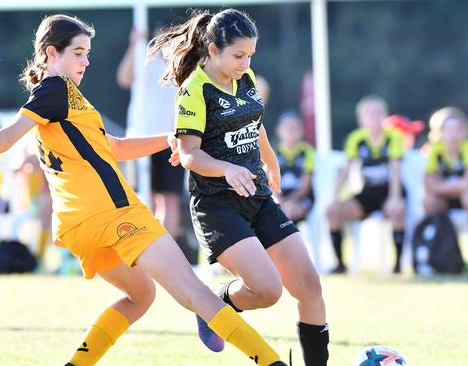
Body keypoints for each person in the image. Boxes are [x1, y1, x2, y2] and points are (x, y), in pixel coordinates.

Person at [0, 14, 286, 366]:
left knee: (141, 296)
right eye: (79, 53)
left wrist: (167, 139)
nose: (86, 61)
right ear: (52, 53)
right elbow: (6, 138)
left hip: (80, 227)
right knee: (198, 295)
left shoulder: (64, 97)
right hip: (115, 213)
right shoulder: (54, 91)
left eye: (88, 53)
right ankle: (273, 363)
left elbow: (114, 149)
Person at [149, 9, 329, 365]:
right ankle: (215, 306)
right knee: (267, 290)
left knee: (309, 284)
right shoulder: (194, 90)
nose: (245, 62)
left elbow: (254, 123)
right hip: (218, 206)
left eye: (250, 55)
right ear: (213, 49)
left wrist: (272, 162)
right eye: (238, 55)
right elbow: (188, 155)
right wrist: (227, 169)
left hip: (257, 196)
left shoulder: (244, 77)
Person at [116, 28, 189, 256]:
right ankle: (146, 250)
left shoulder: (181, 66)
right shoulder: (144, 60)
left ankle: (168, 253)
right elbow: (124, 78)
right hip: (140, 139)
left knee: (169, 199)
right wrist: (134, 45)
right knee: (142, 197)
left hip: (169, 139)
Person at [326, 95, 406, 274]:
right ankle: (340, 264)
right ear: (360, 119)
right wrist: (334, 198)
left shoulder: (394, 137)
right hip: (367, 193)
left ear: (385, 116)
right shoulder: (356, 138)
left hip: (389, 190)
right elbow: (345, 170)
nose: (373, 116)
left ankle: (398, 265)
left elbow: (395, 170)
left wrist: (395, 198)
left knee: (396, 209)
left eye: (378, 112)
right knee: (332, 211)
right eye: (369, 113)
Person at [424, 107, 468, 273]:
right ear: (439, 132)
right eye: (448, 130)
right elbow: (430, 183)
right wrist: (453, 187)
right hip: (446, 198)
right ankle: (441, 252)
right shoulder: (434, 150)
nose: (453, 135)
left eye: (458, 130)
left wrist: (445, 187)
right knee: (430, 201)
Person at [274, 112, 315, 223]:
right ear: (278, 130)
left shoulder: (307, 152)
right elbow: (271, 183)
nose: (291, 132)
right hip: (281, 198)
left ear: (302, 131)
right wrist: (281, 201)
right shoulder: (273, 152)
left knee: (290, 212)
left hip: (301, 198)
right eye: (287, 128)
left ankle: (292, 239)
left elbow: (305, 186)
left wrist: (290, 201)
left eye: (295, 128)